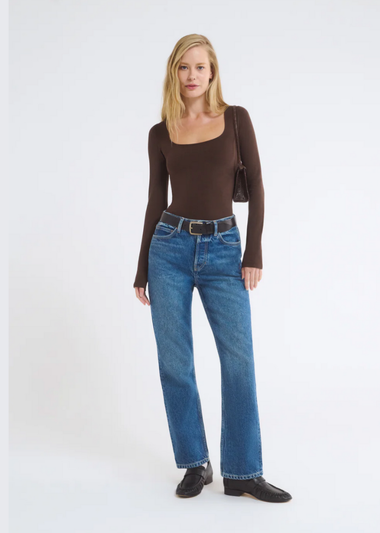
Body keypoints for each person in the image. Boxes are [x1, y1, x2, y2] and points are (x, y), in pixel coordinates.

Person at [133, 34, 292, 503]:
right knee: (175, 362)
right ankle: (194, 463)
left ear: (213, 72)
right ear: (174, 73)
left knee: (238, 360)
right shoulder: (160, 132)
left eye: (200, 67)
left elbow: (257, 185)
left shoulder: (236, 119)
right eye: (184, 67)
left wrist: (253, 251)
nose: (192, 75)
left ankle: (242, 472)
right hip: (169, 250)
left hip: (224, 248)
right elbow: (155, 201)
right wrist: (142, 267)